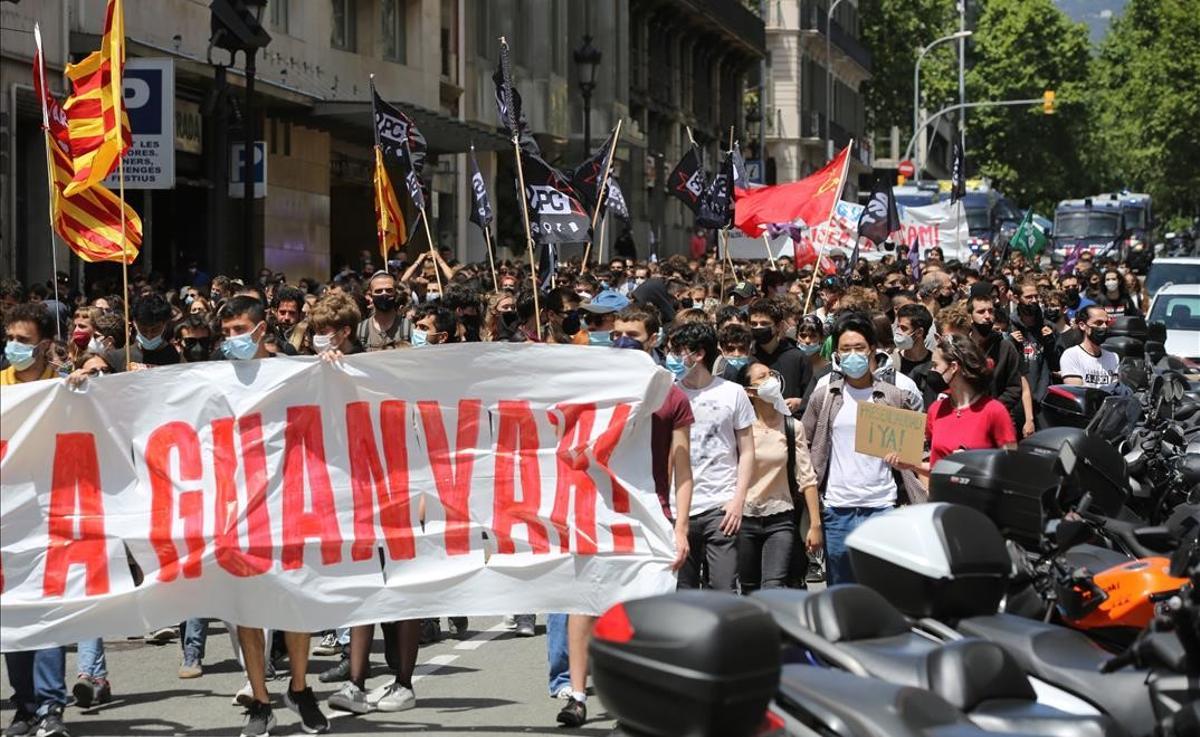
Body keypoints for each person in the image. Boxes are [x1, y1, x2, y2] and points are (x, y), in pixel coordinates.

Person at [555, 306, 695, 729]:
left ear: (653, 339)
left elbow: (683, 469)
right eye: (616, 334)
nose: (621, 341)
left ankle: (635, 696)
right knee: (586, 601)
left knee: (642, 611)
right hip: (595, 510)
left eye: (632, 334)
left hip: (651, 514)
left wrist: (682, 528)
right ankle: (577, 695)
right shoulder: (594, 390)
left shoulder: (673, 396)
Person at [216, 296, 329, 737]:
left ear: (262, 330)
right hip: (237, 507)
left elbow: (330, 393)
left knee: (294, 601)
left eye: (239, 330)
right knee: (248, 608)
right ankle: (260, 700)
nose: (232, 339)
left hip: (288, 503)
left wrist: (331, 362)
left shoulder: (293, 371)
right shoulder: (213, 375)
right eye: (225, 333)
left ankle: (300, 689)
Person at [800, 313, 924, 584]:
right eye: (845, 349)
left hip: (882, 507)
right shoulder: (825, 396)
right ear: (837, 354)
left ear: (872, 349)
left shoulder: (894, 395)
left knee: (882, 588)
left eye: (859, 348)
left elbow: (915, 452)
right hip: (837, 510)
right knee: (842, 591)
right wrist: (814, 515)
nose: (852, 355)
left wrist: (903, 459)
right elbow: (805, 448)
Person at [668, 322, 755, 591]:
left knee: (723, 591)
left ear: (699, 354)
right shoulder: (668, 393)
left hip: (721, 507)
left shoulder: (733, 392)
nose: (672, 357)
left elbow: (748, 450)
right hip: (676, 509)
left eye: (678, 351)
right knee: (683, 594)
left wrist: (738, 500)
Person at [735, 363, 820, 592]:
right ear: (749, 391)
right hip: (744, 519)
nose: (771, 380)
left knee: (774, 585)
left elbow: (807, 478)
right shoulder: (739, 429)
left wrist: (815, 524)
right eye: (762, 377)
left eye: (772, 374)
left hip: (781, 518)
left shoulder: (793, 427)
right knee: (749, 587)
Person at [886, 333, 1018, 479]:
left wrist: (976, 463)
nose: (931, 371)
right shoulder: (936, 410)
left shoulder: (994, 410)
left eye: (936, 365)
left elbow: (1012, 467)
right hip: (942, 496)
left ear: (953, 367)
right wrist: (911, 464)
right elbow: (937, 468)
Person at [747, 298, 811, 414]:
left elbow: (811, 399)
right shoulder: (747, 358)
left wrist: (799, 402)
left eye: (764, 324)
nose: (758, 328)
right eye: (754, 324)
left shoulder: (798, 358)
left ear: (779, 326)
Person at [1060, 305, 1119, 390]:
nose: (1104, 327)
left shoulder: (1113, 357)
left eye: (1106, 323)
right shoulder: (1071, 356)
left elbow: (1115, 391)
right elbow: (1077, 393)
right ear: (1082, 325)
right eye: (1098, 323)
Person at [2, 303, 57, 385]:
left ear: (45, 345)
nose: (13, 345)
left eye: (22, 339)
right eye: (10, 338)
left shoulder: (62, 385)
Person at [895, 303, 936, 408]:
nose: (898, 332)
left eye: (904, 328)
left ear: (919, 332)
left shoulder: (935, 365)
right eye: (897, 327)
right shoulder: (892, 362)